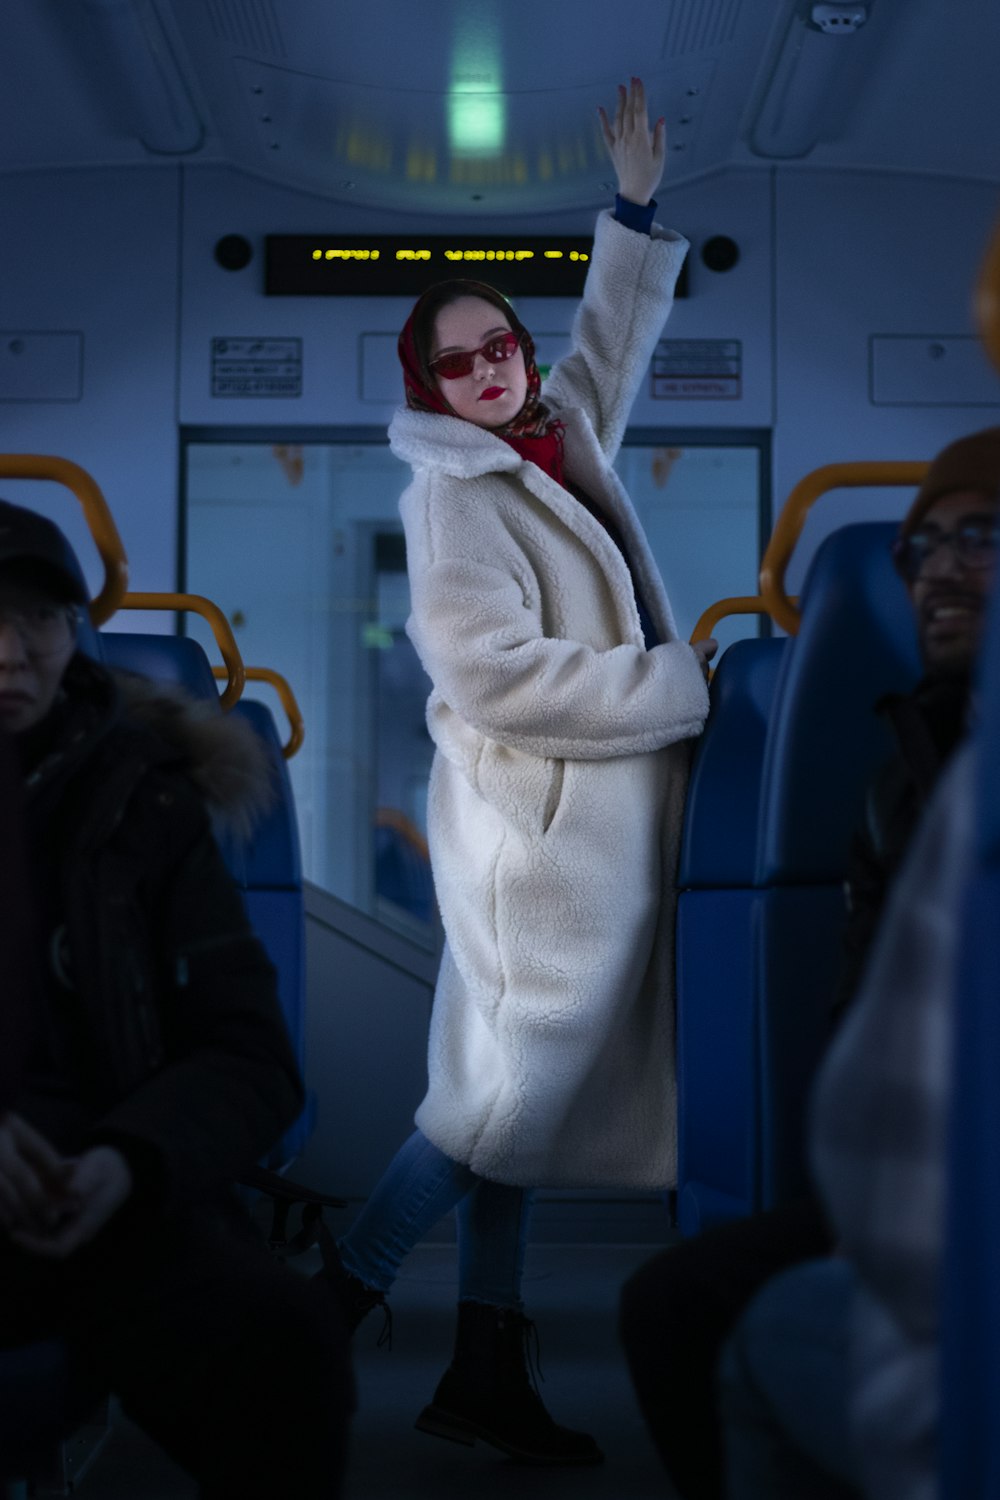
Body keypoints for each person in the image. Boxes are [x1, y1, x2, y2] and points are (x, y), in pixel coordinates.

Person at [316, 78, 715, 1467]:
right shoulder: (453, 490)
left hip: (580, 830)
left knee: (510, 1119)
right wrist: (675, 685)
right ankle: (326, 1316)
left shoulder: (555, 435)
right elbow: (491, 674)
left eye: (504, 349)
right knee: (497, 1113)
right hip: (536, 840)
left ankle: (481, 1364)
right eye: (464, 364)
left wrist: (632, 214)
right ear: (431, 387)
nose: (493, 373)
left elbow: (612, 342)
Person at [618, 425, 1000, 1499]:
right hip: (936, 1167)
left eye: (981, 535)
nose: (940, 572)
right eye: (920, 550)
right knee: (679, 1303)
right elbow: (863, 1024)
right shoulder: (898, 780)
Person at [0, 499, 352, 1496]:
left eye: (36, 619)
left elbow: (247, 1055)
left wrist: (130, 1161)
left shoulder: (146, 798)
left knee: (281, 1340)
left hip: (110, 1182)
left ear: (75, 635)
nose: (10, 652)